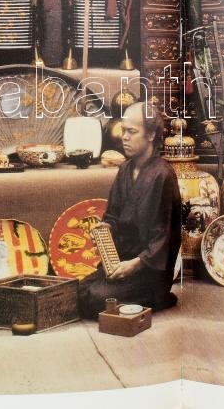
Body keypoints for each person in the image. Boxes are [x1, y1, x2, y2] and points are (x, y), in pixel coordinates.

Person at [78, 101, 181, 319]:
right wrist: (105, 228)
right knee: (79, 290)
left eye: (132, 132)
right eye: (123, 130)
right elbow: (113, 217)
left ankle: (160, 297)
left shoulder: (163, 176)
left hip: (149, 271)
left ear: (151, 135)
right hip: (122, 262)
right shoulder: (125, 169)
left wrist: (134, 265)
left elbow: (165, 239)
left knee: (97, 298)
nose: (124, 137)